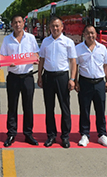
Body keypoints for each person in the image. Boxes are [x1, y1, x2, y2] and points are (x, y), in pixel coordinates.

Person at [37, 16, 77, 148]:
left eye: (57, 26)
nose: (55, 28)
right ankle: (51, 135)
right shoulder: (45, 42)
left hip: (62, 77)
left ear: (62, 27)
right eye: (53, 26)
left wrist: (72, 79)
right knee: (49, 107)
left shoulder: (68, 42)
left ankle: (65, 136)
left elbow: (73, 61)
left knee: (65, 107)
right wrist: (40, 76)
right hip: (48, 76)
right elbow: (41, 59)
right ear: (49, 27)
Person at [0, 14, 39, 147]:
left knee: (28, 106)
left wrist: (34, 59)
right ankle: (11, 133)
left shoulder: (31, 38)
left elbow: (36, 53)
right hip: (13, 77)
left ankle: (28, 133)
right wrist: (7, 62)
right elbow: (2, 56)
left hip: (27, 76)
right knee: (12, 106)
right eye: (15, 22)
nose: (17, 24)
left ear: (23, 24)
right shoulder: (7, 40)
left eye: (19, 22)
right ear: (12, 25)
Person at [75, 25, 107, 147]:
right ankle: (84, 134)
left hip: (99, 82)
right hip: (85, 82)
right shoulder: (78, 48)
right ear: (84, 34)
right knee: (84, 110)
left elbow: (106, 65)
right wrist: (75, 81)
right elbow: (75, 66)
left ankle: (102, 134)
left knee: (100, 109)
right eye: (88, 33)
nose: (91, 36)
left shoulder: (102, 48)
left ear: (96, 34)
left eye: (93, 33)